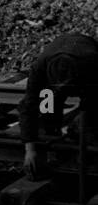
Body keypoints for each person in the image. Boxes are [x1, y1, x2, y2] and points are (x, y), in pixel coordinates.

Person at [20, 32, 98, 180]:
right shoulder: (39, 70)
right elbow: (28, 108)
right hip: (58, 53)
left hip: (84, 54)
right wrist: (30, 149)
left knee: (91, 117)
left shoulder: (92, 65)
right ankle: (52, 136)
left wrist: (83, 126)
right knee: (48, 110)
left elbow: (91, 102)